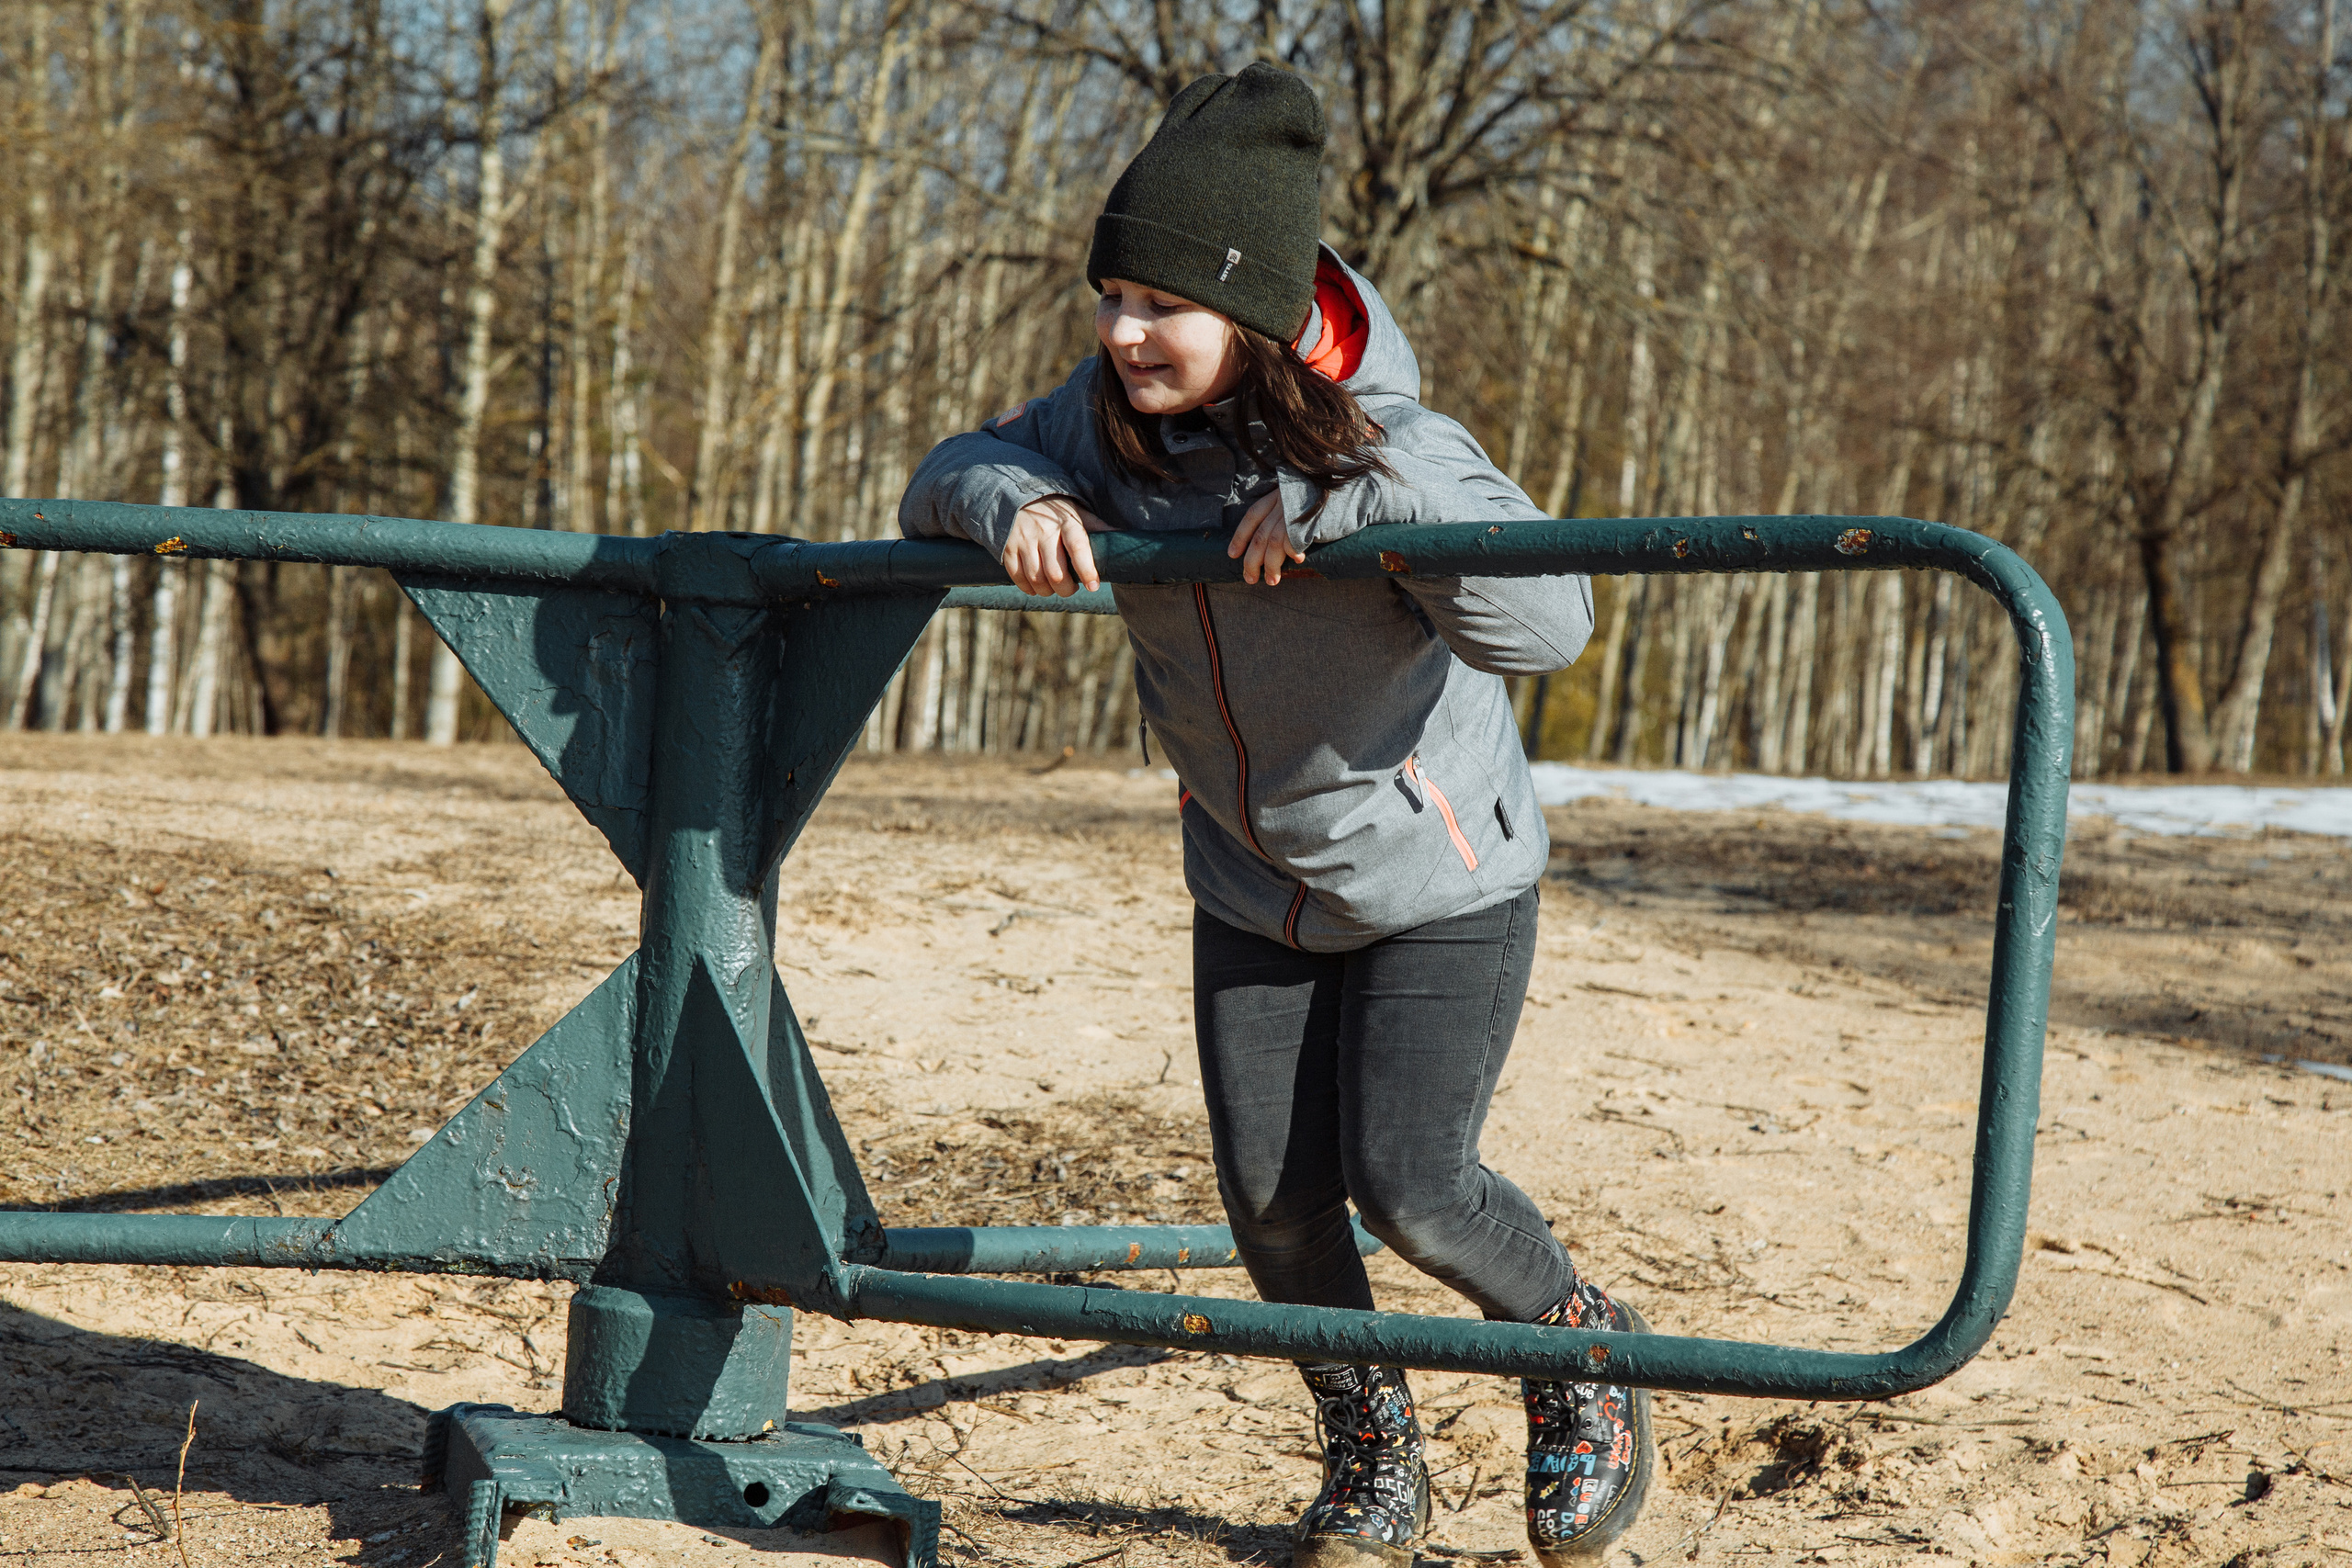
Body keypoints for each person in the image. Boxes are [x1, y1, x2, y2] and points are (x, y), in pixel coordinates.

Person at [900, 62, 1654, 1568]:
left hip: (1437, 877)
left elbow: (1551, 621)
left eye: (1156, 306)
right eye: (1109, 296)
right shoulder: (1104, 423)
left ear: (1249, 313)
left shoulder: (1397, 439)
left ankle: (1586, 1359)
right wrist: (1012, 502)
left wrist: (1363, 507)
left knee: (1417, 1189)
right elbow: (951, 463)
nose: (1121, 335)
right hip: (1251, 877)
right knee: (1273, 1207)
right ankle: (1371, 1450)